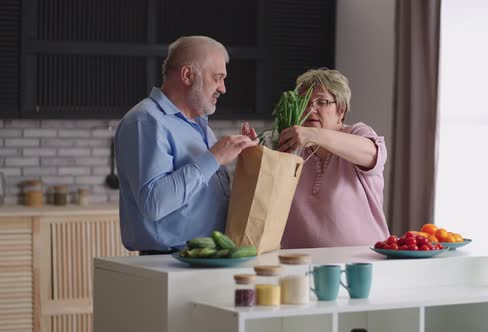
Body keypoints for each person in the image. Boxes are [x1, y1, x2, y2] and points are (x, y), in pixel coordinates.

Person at [115, 36, 257, 254]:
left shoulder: (201, 127)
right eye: (217, 78)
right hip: (168, 263)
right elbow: (154, 204)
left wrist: (249, 158)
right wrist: (215, 157)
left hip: (209, 257)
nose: (223, 88)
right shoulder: (146, 121)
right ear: (187, 75)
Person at [278, 68, 389, 248]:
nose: (310, 108)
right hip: (297, 263)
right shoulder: (292, 144)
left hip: (362, 262)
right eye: (304, 101)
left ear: (341, 111)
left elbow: (372, 154)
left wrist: (313, 134)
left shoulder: (357, 133)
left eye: (321, 101)